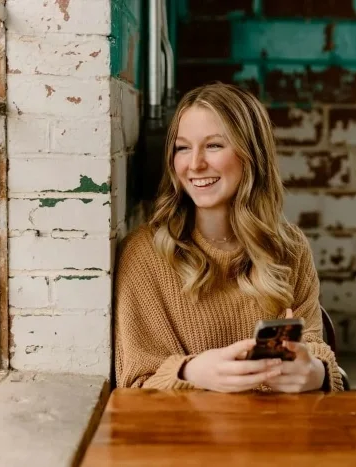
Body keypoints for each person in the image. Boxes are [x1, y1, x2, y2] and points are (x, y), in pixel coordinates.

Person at [114, 82, 344, 393]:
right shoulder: (143, 254)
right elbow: (134, 384)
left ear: (251, 155)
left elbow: (313, 347)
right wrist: (191, 371)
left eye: (213, 146)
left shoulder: (289, 248)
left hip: (275, 433)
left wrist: (314, 372)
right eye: (182, 147)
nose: (194, 164)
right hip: (185, 436)